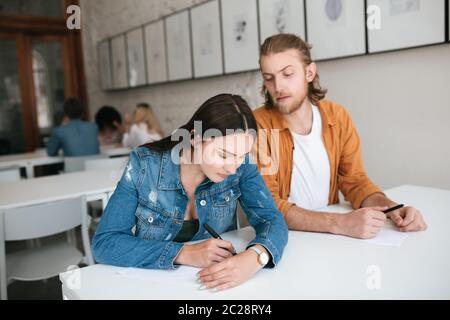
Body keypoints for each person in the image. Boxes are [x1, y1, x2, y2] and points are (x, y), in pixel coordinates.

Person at [92, 94, 288, 291]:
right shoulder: (144, 165)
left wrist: (256, 256)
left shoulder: (241, 166)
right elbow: (105, 242)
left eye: (241, 155)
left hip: (216, 290)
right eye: (223, 155)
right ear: (195, 139)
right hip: (153, 290)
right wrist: (183, 253)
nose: (232, 168)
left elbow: (271, 219)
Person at [254, 34, 426, 239]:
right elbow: (268, 203)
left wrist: (391, 208)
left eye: (287, 74)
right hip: (285, 238)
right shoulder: (259, 125)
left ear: (309, 72)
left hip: (331, 237)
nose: (278, 87)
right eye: (269, 77)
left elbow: (355, 181)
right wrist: (340, 223)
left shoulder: (337, 117)